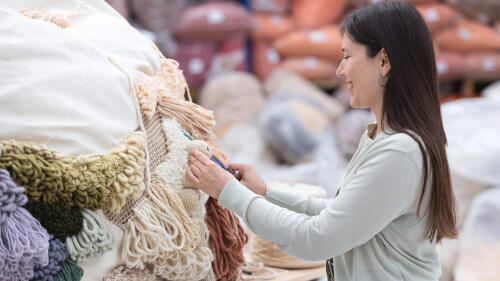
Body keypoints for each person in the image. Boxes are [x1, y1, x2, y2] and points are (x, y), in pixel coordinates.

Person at [186, 1, 458, 280]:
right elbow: (342, 215)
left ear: (384, 61)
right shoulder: (380, 136)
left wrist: (230, 193)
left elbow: (318, 238)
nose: (340, 70)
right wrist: (265, 192)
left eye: (348, 56)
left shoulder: (400, 152)